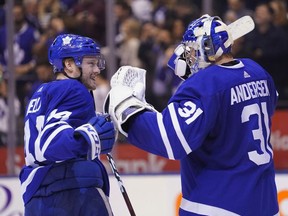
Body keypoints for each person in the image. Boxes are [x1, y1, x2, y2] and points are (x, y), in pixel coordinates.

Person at [105, 14, 279, 215]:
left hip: (217, 205)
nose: (189, 57)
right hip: (265, 202)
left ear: (208, 49)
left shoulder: (204, 84)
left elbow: (171, 140)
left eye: (193, 50)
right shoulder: (258, 71)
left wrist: (127, 108)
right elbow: (266, 104)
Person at [19, 34, 115, 216]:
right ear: (69, 65)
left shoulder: (40, 92)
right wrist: (89, 136)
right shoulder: (75, 89)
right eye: (91, 63)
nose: (97, 70)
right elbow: (48, 143)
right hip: (73, 191)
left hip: (36, 198)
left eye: (97, 63)